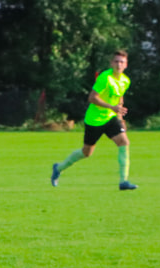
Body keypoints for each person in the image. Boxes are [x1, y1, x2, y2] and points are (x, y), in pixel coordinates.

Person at [51, 50, 138, 191]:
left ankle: (124, 181)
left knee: (124, 142)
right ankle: (59, 168)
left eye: (122, 62)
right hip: (94, 120)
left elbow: (119, 98)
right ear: (111, 63)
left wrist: (120, 118)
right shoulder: (105, 78)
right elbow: (92, 98)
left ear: (126, 65)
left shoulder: (125, 80)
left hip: (110, 117)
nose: (119, 64)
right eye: (116, 61)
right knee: (87, 152)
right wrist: (112, 107)